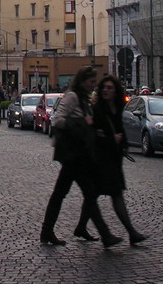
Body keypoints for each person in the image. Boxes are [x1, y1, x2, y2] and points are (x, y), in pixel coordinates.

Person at [40, 66, 121, 248]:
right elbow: (58, 119)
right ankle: (103, 234)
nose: (94, 86)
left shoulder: (84, 99)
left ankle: (50, 231)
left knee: (61, 193)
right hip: (72, 153)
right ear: (83, 81)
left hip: (78, 153)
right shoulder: (72, 97)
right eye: (92, 82)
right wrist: (82, 122)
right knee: (89, 192)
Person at [90, 74, 148, 245]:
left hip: (113, 159)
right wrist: (111, 139)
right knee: (101, 196)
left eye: (110, 88)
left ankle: (127, 233)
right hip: (100, 160)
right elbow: (94, 136)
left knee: (105, 196)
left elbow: (118, 131)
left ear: (116, 91)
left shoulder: (118, 108)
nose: (106, 90)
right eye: (104, 88)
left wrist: (120, 143)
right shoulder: (98, 110)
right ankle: (126, 233)